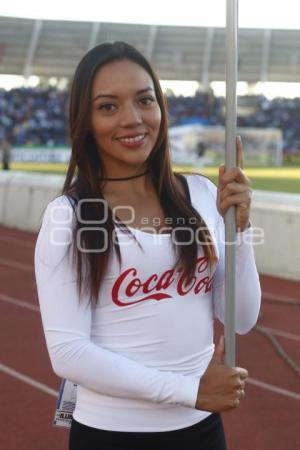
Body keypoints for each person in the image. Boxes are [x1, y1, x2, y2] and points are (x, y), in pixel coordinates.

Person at [34, 41, 261, 450]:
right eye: (108, 106)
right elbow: (67, 353)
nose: (133, 119)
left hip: (202, 431)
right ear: (83, 120)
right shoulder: (68, 216)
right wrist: (188, 391)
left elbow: (241, 318)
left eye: (145, 100)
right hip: (112, 434)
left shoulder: (201, 194)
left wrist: (240, 232)